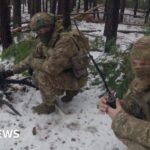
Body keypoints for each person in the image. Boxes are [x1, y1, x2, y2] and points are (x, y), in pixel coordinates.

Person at [2, 12, 89, 114]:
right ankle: (70, 91)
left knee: (42, 76)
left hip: (77, 78)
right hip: (67, 73)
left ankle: (48, 106)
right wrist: (10, 72)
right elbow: (29, 59)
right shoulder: (45, 43)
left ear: (52, 26)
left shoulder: (64, 42)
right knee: (37, 74)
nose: (42, 31)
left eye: (46, 28)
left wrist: (34, 63)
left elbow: (52, 68)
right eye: (39, 30)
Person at [99, 36, 150, 150]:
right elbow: (132, 104)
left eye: (143, 64)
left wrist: (121, 120)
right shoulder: (139, 81)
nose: (138, 69)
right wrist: (114, 105)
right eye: (135, 63)